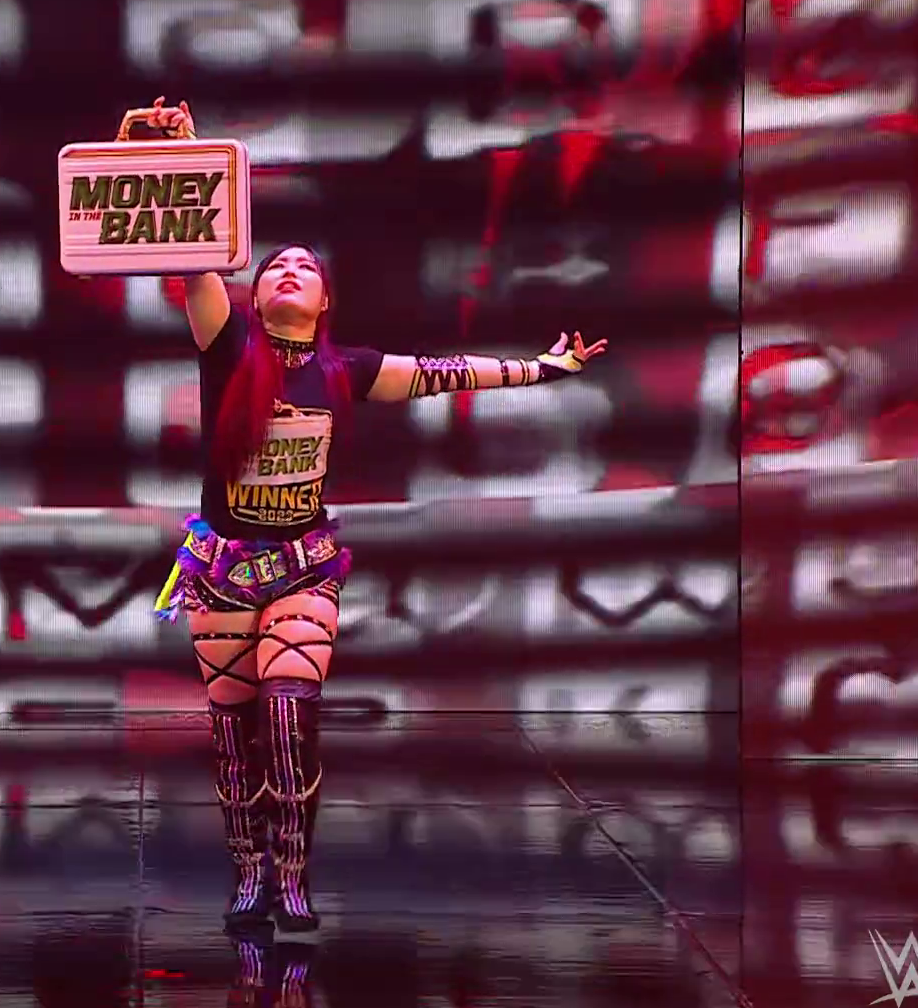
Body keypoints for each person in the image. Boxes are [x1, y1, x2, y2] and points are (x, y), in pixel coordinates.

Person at [123, 99, 608, 934]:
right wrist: (184, 155)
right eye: (274, 266)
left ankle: (292, 871)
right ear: (254, 294)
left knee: (288, 713)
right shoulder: (226, 347)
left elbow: (448, 373)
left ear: (324, 302)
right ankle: (248, 870)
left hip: (302, 570)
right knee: (234, 733)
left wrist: (545, 368)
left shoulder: (347, 369)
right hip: (220, 570)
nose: (287, 271)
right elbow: (195, 257)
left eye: (304, 268)